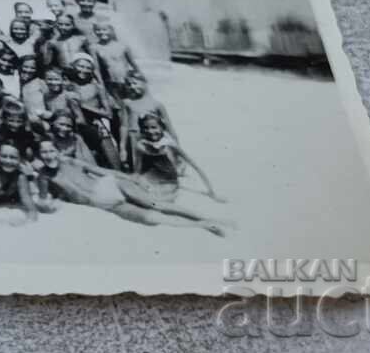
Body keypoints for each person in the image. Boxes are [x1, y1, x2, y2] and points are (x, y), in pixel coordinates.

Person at [33, 139, 229, 236]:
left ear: (57, 151)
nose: (49, 155)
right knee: (151, 219)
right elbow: (44, 202)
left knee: (158, 205)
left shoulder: (71, 162)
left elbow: (101, 171)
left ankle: (211, 219)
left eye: (51, 150)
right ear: (39, 156)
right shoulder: (43, 177)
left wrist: (130, 178)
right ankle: (203, 226)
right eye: (44, 152)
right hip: (101, 203)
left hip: (110, 185)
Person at [134, 114, 224, 202]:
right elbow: (137, 170)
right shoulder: (141, 145)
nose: (150, 131)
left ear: (162, 128)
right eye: (146, 128)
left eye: (154, 127)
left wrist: (212, 192)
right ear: (142, 130)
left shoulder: (169, 144)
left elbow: (195, 166)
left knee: (155, 200)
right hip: (150, 180)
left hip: (168, 182)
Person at [69, 53, 121, 168]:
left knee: (110, 156)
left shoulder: (97, 87)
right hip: (76, 126)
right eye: (80, 66)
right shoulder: (68, 85)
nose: (84, 70)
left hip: (95, 124)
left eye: (88, 68)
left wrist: (83, 105)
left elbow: (108, 113)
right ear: (73, 66)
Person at [119, 72, 177, 166]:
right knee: (138, 167)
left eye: (135, 83)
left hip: (154, 139)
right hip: (134, 138)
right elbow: (124, 126)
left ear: (144, 83)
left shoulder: (156, 104)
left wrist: (176, 146)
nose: (132, 87)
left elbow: (169, 127)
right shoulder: (128, 103)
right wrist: (122, 148)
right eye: (129, 85)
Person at [92, 20, 142, 99]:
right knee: (117, 103)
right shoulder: (95, 47)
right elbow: (96, 68)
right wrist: (100, 82)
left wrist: (141, 76)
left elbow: (133, 64)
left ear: (111, 30)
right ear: (94, 31)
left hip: (126, 80)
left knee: (130, 101)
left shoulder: (122, 46)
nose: (101, 32)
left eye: (105, 29)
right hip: (110, 81)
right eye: (98, 30)